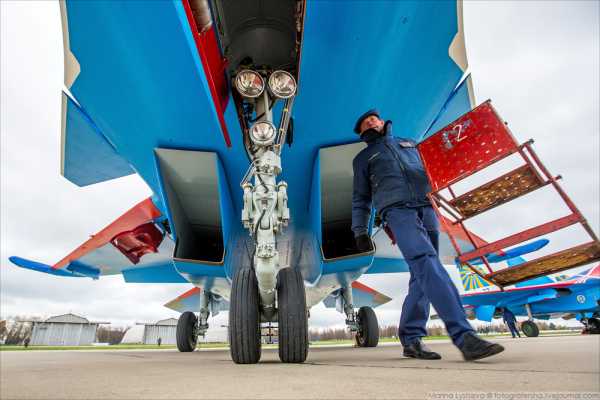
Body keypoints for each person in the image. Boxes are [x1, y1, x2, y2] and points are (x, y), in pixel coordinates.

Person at [351, 109, 505, 361]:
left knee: (421, 275)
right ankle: (464, 336)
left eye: (374, 118)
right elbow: (360, 198)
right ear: (361, 133)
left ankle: (411, 339)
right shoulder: (363, 158)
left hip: (427, 208)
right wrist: (359, 230)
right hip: (397, 211)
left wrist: (481, 137)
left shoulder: (410, 143)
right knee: (427, 263)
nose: (371, 121)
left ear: (382, 121)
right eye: (365, 122)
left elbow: (438, 166)